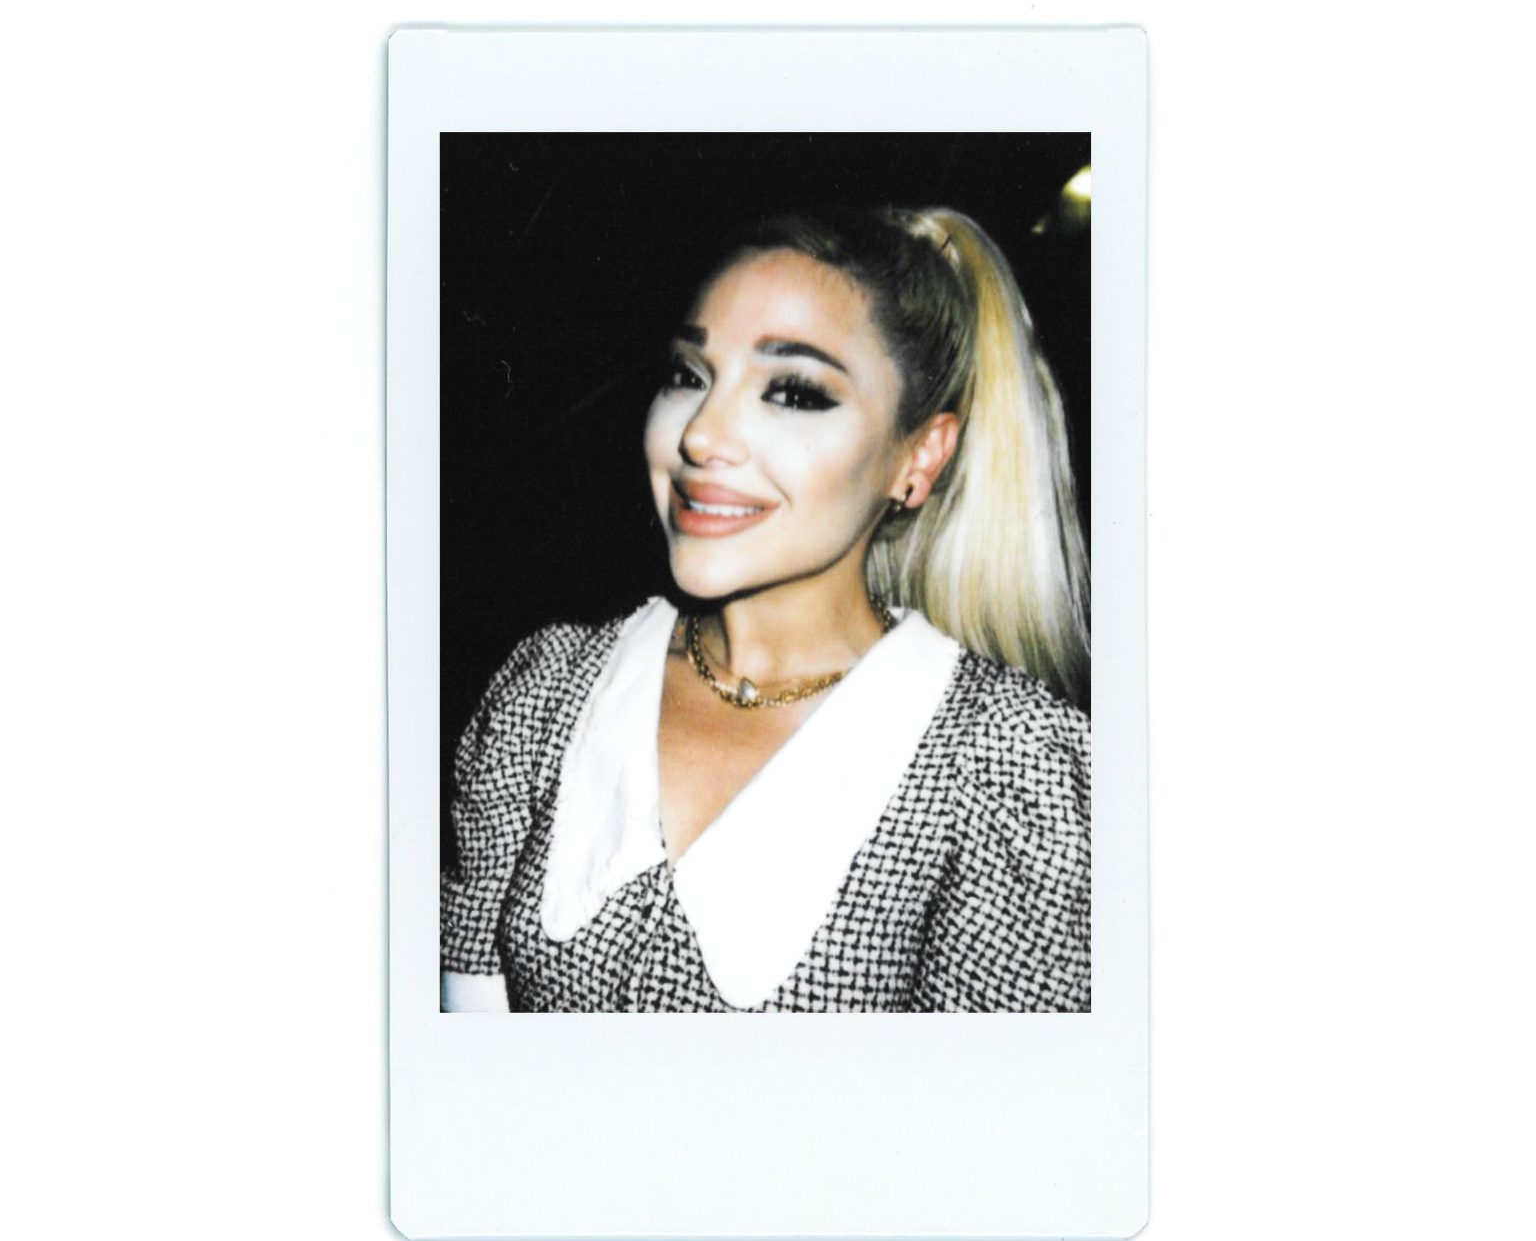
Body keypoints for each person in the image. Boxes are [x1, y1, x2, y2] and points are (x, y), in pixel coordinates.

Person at [441, 206, 1090, 1012]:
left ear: (919, 457)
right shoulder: (546, 692)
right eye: (690, 375)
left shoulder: (1009, 771)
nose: (702, 436)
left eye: (793, 391)